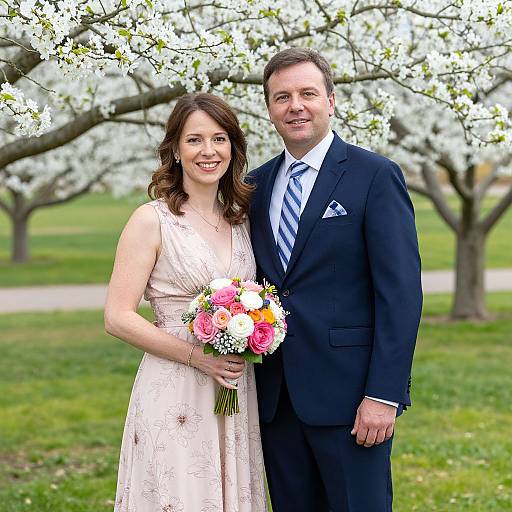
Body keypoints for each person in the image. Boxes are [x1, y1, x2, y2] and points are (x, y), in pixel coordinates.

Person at [248, 48, 423, 511]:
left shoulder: (375, 176)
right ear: (269, 109)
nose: (295, 106)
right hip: (276, 399)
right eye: (281, 97)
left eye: (307, 93)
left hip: (352, 400)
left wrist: (383, 395)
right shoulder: (254, 186)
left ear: (331, 100)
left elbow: (400, 296)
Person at [105, 93, 268, 512]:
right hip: (175, 382)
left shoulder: (241, 218)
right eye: (194, 140)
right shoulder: (151, 220)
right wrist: (198, 356)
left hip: (233, 385)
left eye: (219, 139)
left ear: (233, 147)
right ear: (175, 149)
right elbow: (118, 317)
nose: (208, 151)